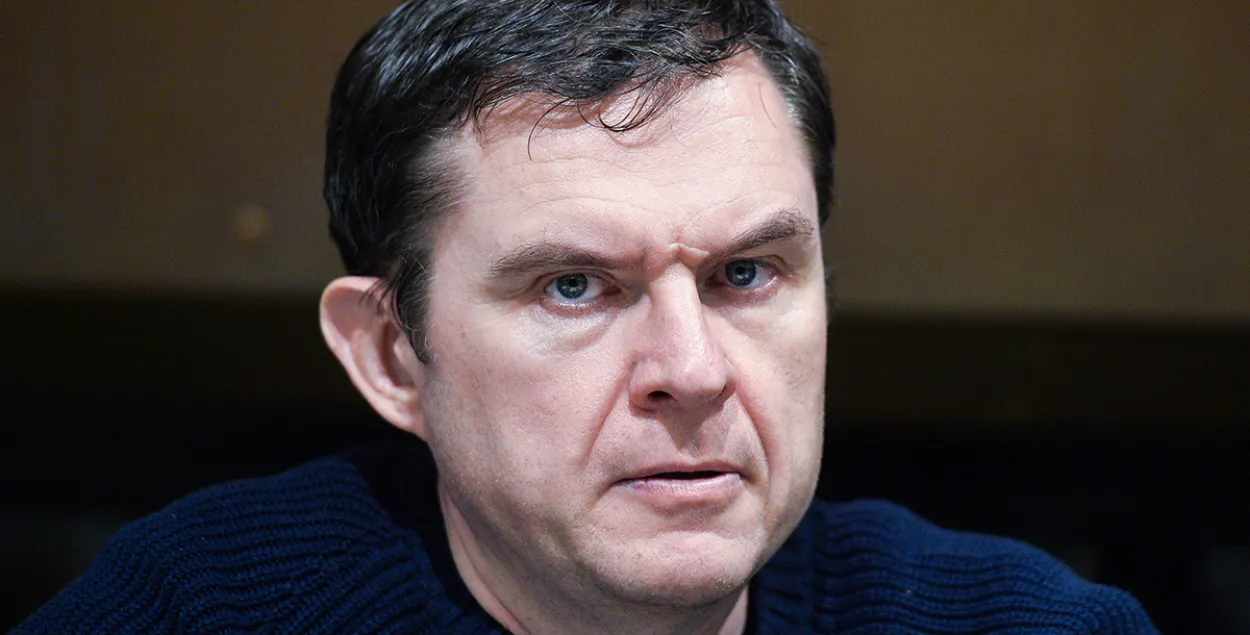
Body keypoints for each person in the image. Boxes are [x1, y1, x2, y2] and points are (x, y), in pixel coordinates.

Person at [15, 1, 1157, 633]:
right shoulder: (198, 608)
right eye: (574, 285)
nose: (692, 370)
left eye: (745, 272)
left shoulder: (1026, 625)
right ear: (393, 355)